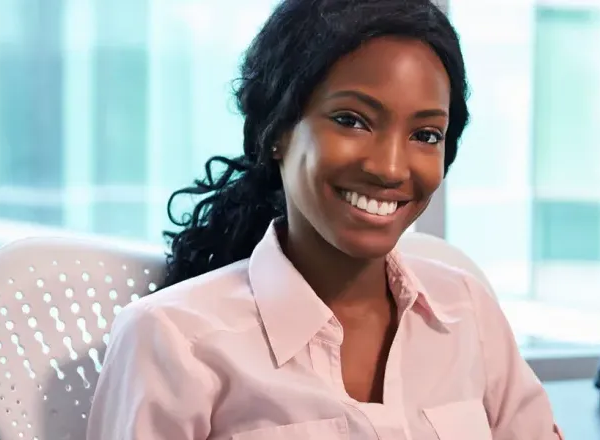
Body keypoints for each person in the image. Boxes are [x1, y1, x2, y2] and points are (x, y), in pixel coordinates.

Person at [86, 0, 564, 438]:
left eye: (425, 134)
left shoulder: (466, 309)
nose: (391, 168)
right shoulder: (174, 340)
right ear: (277, 132)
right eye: (352, 120)